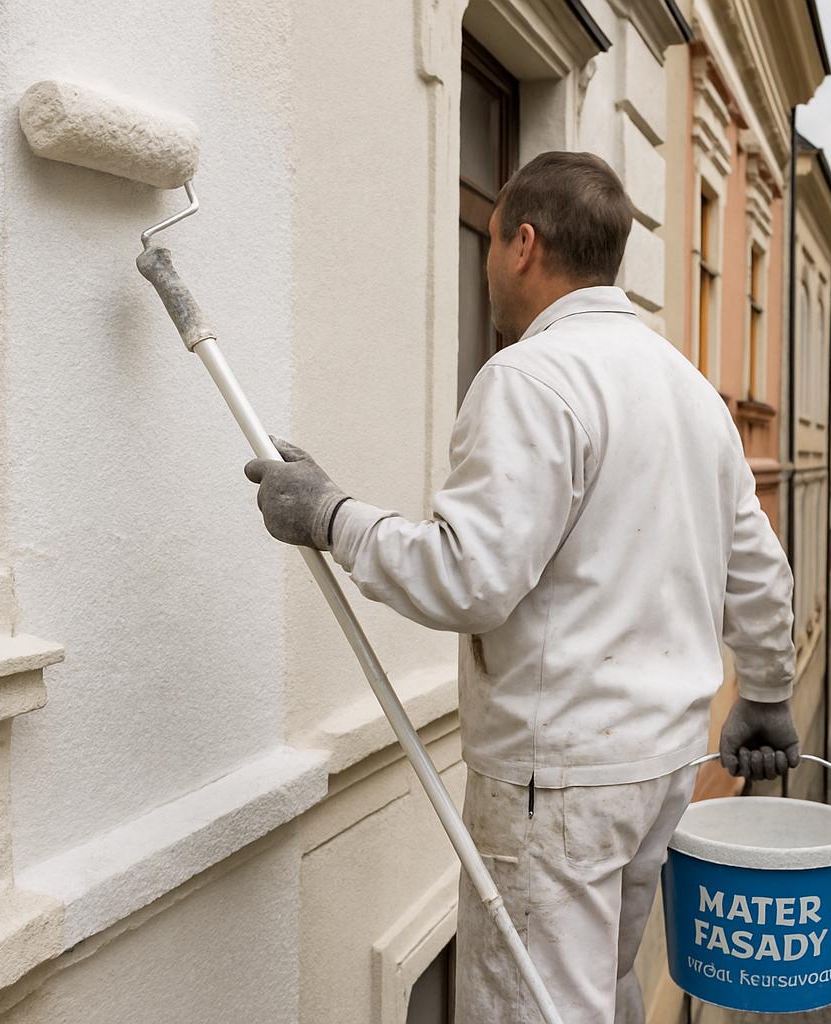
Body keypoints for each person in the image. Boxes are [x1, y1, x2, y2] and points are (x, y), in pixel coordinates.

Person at [244, 151, 799, 1024]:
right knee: (600, 994)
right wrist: (765, 692)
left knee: (533, 1010)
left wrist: (329, 515)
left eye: (490, 236)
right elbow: (759, 571)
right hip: (657, 767)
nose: (487, 259)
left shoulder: (530, 379)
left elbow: (470, 578)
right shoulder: (690, 392)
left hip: (559, 786)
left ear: (522, 245)